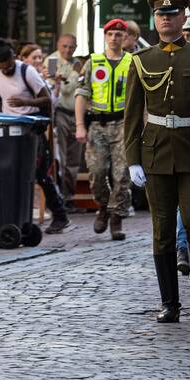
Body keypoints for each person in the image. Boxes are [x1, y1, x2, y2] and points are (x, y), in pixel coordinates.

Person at [124, 0, 190, 324]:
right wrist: (132, 159)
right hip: (156, 152)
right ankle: (169, 301)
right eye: (160, 15)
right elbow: (131, 115)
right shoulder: (142, 61)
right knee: (162, 229)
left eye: (172, 15)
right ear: (154, 20)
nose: (166, 20)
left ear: (184, 18)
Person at [0, 41, 69, 233]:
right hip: (8, 128)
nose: (6, 70)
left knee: (39, 172)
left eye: (9, 65)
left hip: (31, 128)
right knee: (9, 173)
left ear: (14, 59)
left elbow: (47, 99)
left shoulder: (27, 72)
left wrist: (26, 101)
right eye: (2, 67)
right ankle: (12, 215)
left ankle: (60, 215)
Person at [75, 20, 132, 240]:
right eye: (110, 34)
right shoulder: (93, 62)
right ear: (105, 37)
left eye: (118, 34)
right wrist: (80, 126)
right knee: (97, 172)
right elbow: (81, 94)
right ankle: (103, 206)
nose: (114, 38)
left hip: (123, 123)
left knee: (122, 174)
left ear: (125, 38)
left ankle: (116, 217)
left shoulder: (132, 62)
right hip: (97, 124)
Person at [45, 33, 84, 206]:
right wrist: (74, 76)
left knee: (74, 157)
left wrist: (72, 78)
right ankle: (61, 197)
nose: (67, 50)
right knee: (61, 156)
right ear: (58, 45)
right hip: (60, 112)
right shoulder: (52, 61)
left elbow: (79, 87)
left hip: (75, 113)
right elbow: (62, 90)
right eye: (64, 46)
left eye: (71, 46)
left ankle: (69, 196)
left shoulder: (77, 62)